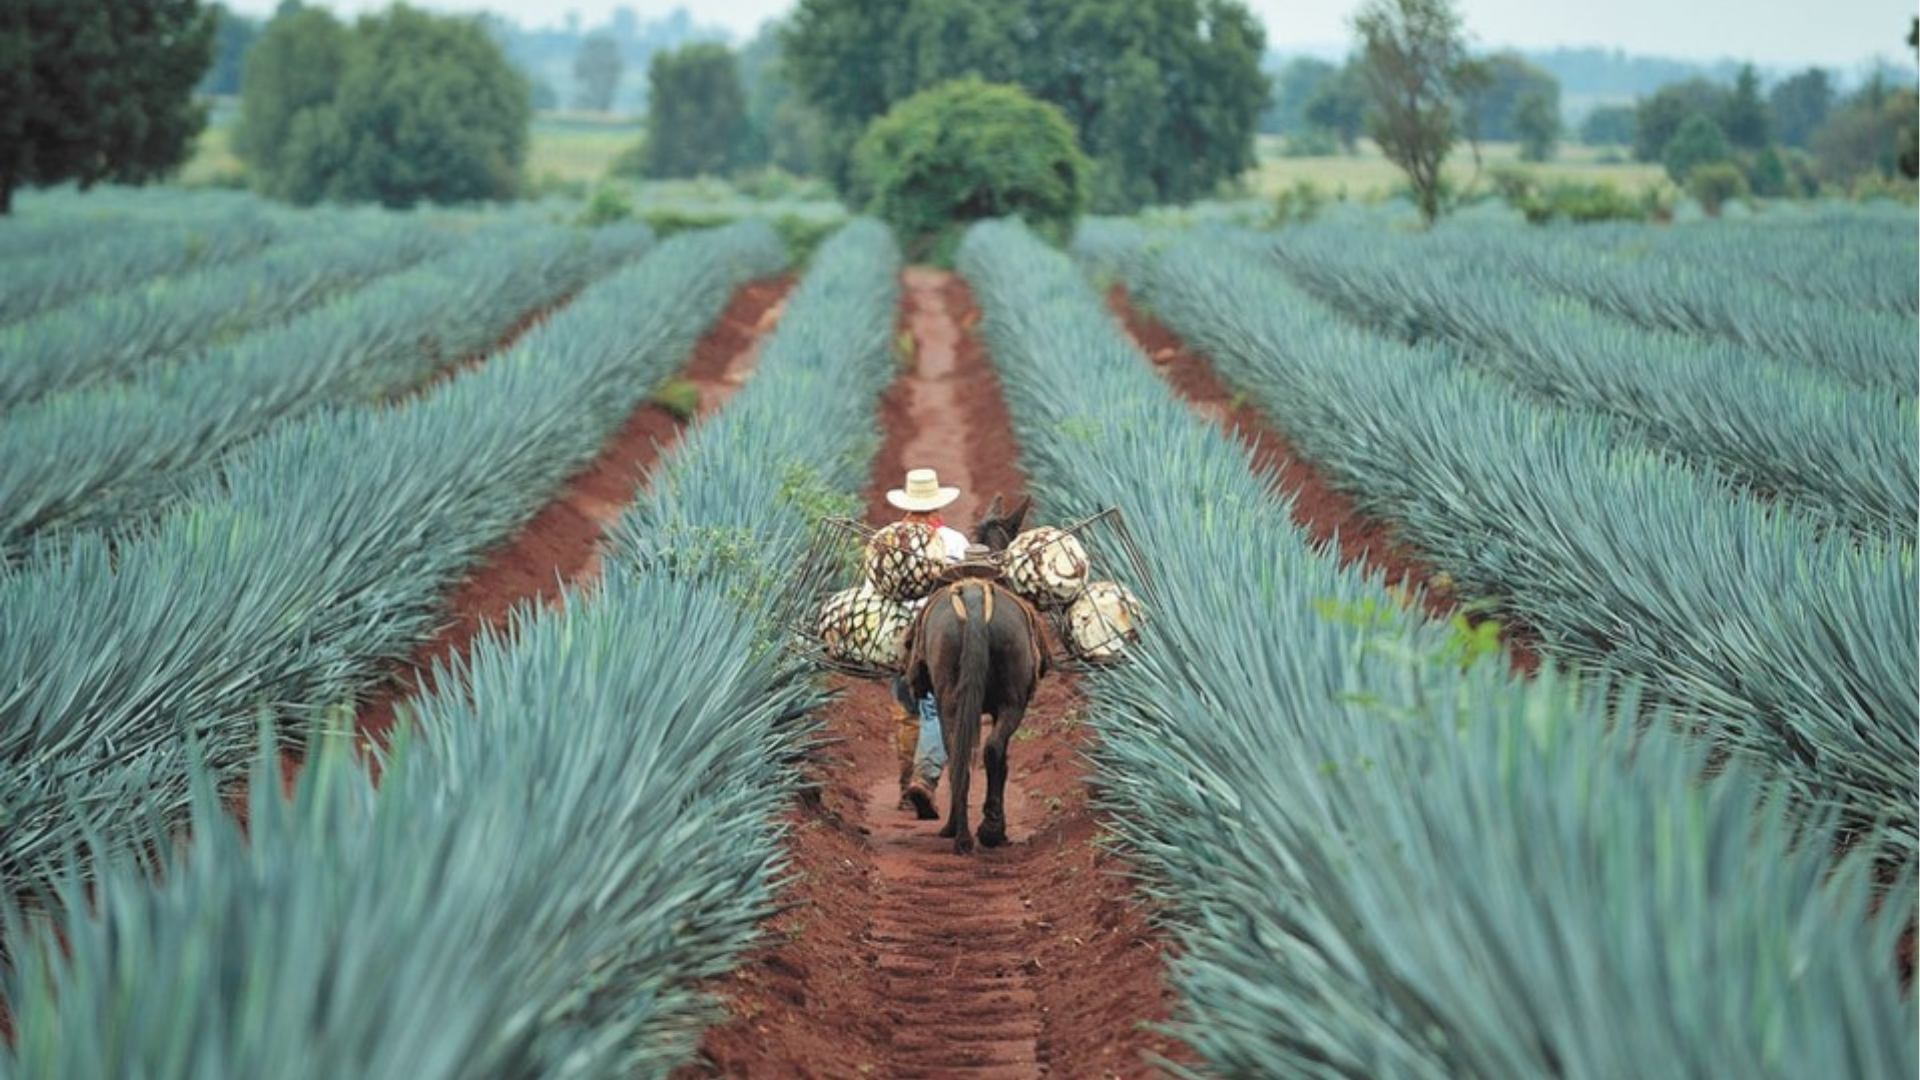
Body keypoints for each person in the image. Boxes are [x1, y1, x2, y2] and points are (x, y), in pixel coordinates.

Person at [885, 467, 968, 819]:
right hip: (946, 633)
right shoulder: (955, 541)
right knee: (936, 708)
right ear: (937, 506)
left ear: (907, 505)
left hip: (902, 635)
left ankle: (908, 789)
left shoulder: (888, 540)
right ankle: (925, 778)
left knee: (907, 711)